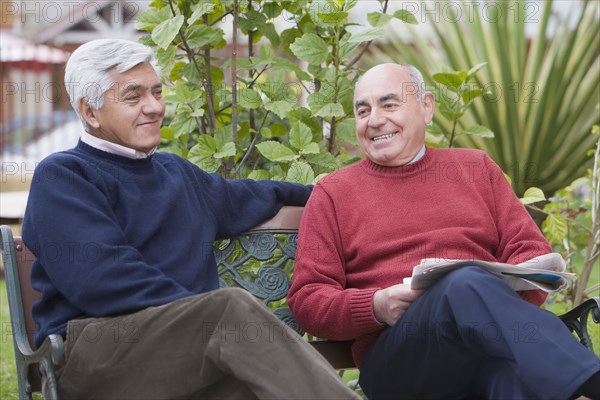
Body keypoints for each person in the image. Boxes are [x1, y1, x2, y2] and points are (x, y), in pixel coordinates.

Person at [22, 39, 360, 400]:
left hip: (182, 353)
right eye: (133, 97)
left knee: (254, 380)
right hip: (95, 356)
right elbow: (103, 281)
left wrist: (330, 193)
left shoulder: (177, 174)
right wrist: (200, 318)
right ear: (90, 112)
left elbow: (257, 194)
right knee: (228, 311)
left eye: (156, 92)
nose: (153, 107)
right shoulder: (65, 176)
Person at [287, 63, 600, 399]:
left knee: (506, 378)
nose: (375, 119)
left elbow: (529, 251)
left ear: (427, 107)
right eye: (363, 110)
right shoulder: (334, 193)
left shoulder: (475, 167)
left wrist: (491, 304)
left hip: (482, 351)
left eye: (389, 105)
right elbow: (308, 300)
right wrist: (376, 305)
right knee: (463, 283)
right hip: (400, 360)